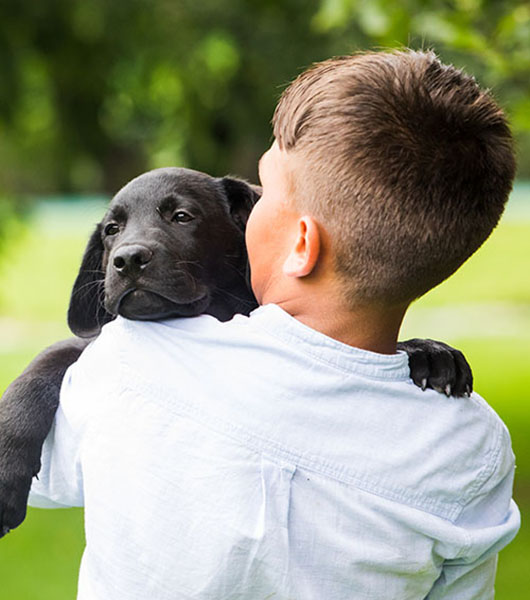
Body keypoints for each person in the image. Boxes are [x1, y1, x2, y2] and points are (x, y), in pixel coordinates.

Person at [29, 49, 519, 599]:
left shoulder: (135, 365)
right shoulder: (473, 447)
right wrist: (400, 356)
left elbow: (40, 475)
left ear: (303, 244)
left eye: (260, 195)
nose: (249, 210)